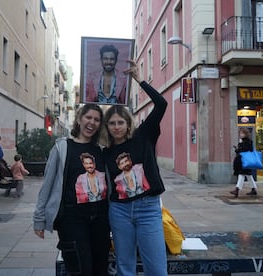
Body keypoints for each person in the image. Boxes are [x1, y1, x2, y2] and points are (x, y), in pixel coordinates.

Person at [102, 60, 168, 275]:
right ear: (107, 127)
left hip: (148, 209)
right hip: (119, 211)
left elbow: (161, 104)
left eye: (120, 122)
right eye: (112, 123)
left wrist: (139, 79)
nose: (116, 127)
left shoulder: (144, 135)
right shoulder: (107, 152)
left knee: (157, 268)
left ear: (128, 123)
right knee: (125, 266)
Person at [33, 104, 110, 275]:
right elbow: (47, 184)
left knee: (100, 269)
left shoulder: (102, 150)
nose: (92, 122)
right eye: (88, 117)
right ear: (79, 119)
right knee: (80, 269)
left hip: (100, 219)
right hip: (72, 218)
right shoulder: (62, 147)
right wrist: (39, 219)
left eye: (97, 120)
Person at [230, 127, 258, 197]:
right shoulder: (243, 141)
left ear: (245, 134)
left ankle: (237, 189)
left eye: (242, 133)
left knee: (241, 174)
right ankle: (253, 189)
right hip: (244, 161)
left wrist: (238, 149)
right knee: (249, 176)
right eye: (240, 133)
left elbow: (245, 150)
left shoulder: (247, 142)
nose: (240, 134)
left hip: (244, 161)